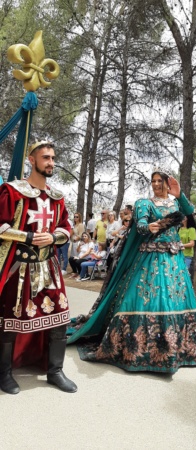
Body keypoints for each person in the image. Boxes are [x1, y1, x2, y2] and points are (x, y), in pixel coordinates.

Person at [67, 169, 196, 374]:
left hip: (174, 261)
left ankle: (176, 350)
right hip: (150, 259)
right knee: (146, 297)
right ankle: (138, 350)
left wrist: (179, 193)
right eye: (153, 181)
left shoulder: (175, 203)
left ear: (167, 183)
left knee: (174, 299)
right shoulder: (144, 203)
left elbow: (189, 213)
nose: (156, 184)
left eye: (160, 181)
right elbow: (139, 226)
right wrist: (151, 226)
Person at [0, 140, 77, 394]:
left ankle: (55, 370)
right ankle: (4, 374)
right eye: (46, 158)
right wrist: (30, 237)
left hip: (50, 267)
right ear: (31, 160)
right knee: (10, 319)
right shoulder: (12, 191)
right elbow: (1, 227)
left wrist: (54, 237)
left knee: (59, 318)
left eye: (53, 158)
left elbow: (66, 227)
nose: (51, 163)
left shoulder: (58, 197)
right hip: (19, 267)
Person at [178, 215, 196, 281]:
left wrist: (180, 245)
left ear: (187, 218)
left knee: (184, 273)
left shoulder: (191, 229)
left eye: (184, 216)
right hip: (178, 254)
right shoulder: (180, 229)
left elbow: (192, 243)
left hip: (187, 255)